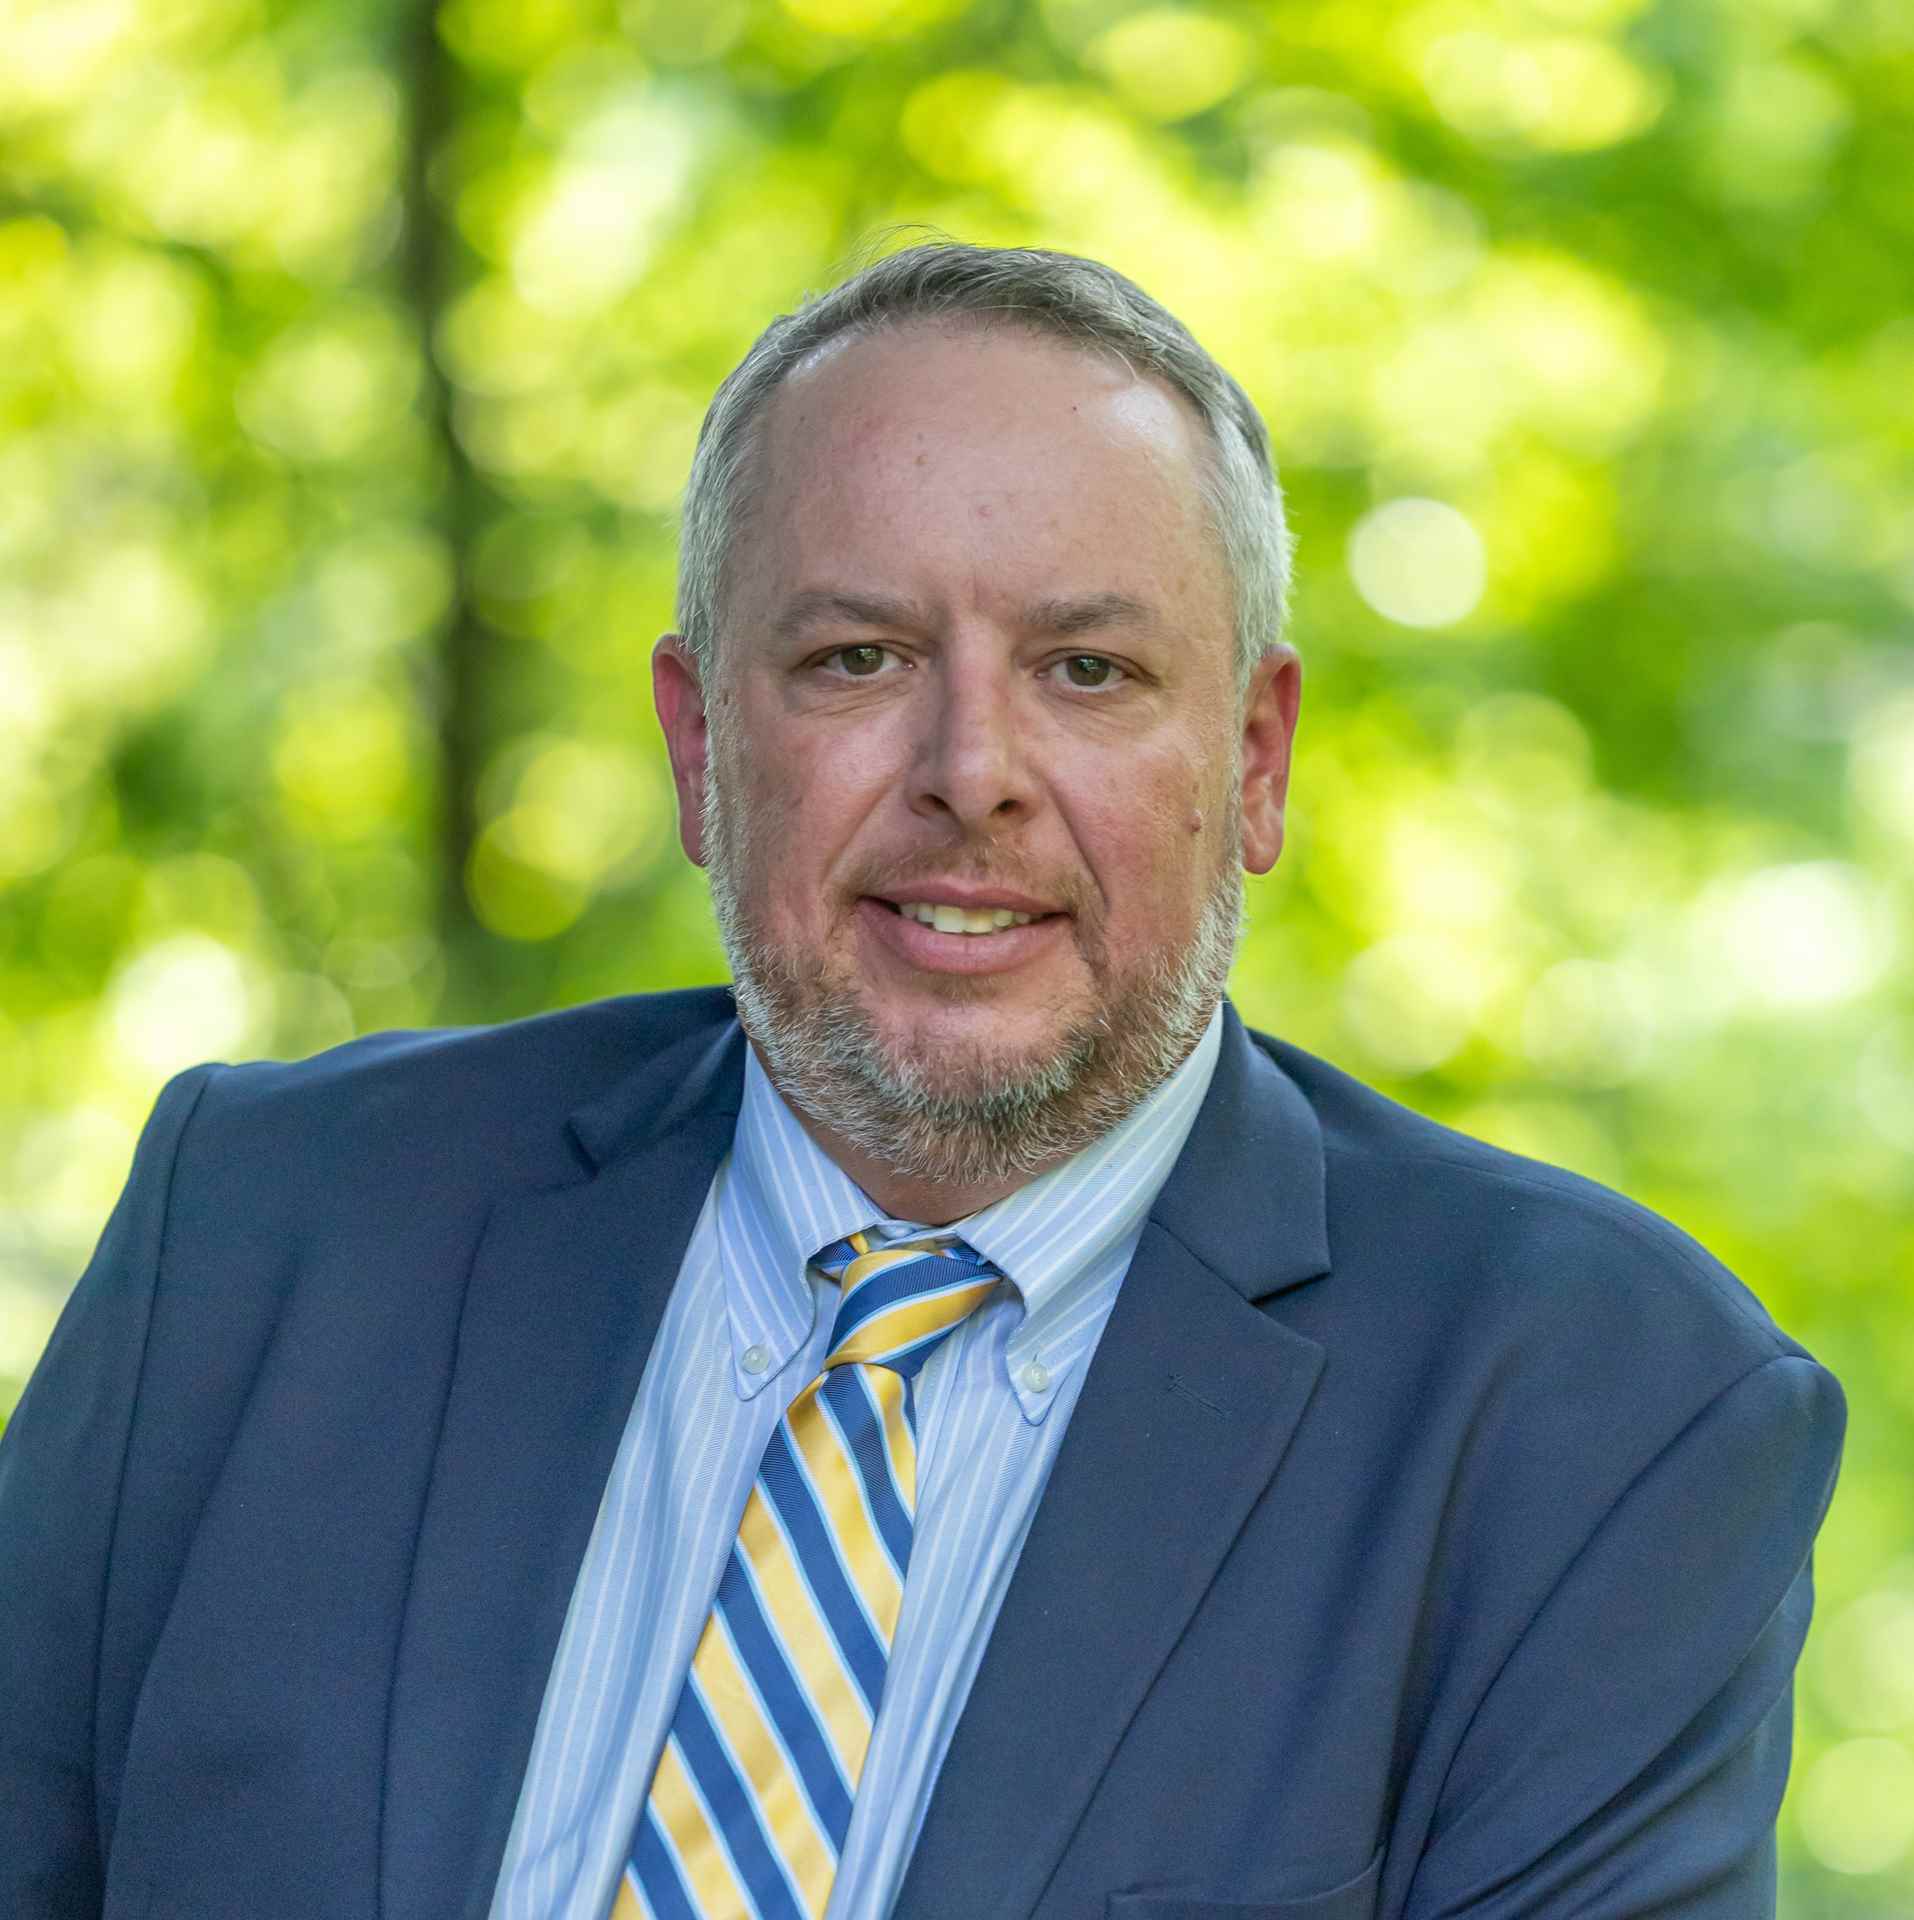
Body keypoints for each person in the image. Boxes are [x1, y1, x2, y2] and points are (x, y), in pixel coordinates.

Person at [0, 243, 1843, 1920]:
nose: (973, 771)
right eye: (857, 657)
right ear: (699, 746)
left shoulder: (1602, 1417)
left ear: (1255, 760)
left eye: (1087, 669)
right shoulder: (266, 1228)